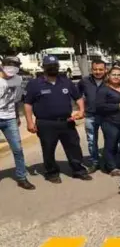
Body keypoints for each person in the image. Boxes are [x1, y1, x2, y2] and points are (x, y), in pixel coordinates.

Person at [24, 55, 92, 183]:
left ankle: (78, 170)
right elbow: (27, 104)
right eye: (49, 66)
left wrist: (82, 110)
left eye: (55, 66)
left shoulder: (65, 81)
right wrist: (29, 122)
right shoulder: (34, 84)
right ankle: (52, 173)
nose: (52, 68)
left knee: (74, 147)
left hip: (67, 121)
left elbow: (78, 97)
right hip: (45, 123)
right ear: (43, 67)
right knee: (48, 149)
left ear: (58, 67)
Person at [0, 57, 35, 190]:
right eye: (9, 64)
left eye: (16, 65)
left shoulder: (18, 80)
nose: (12, 67)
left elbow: (16, 100)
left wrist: (16, 116)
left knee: (18, 149)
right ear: (3, 65)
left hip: (10, 119)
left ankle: (21, 177)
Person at [96, 66, 120, 176]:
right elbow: (100, 106)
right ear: (108, 76)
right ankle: (111, 167)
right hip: (110, 122)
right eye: (114, 74)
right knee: (111, 145)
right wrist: (118, 106)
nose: (116, 77)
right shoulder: (104, 89)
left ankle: (119, 162)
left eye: (119, 75)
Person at [77, 59, 107, 171]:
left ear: (105, 70)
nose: (98, 72)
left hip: (107, 117)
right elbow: (77, 95)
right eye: (95, 69)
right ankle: (95, 162)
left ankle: (108, 161)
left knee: (109, 139)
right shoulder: (84, 81)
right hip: (90, 116)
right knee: (91, 140)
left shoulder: (110, 80)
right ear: (91, 69)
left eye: (100, 69)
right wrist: (81, 109)